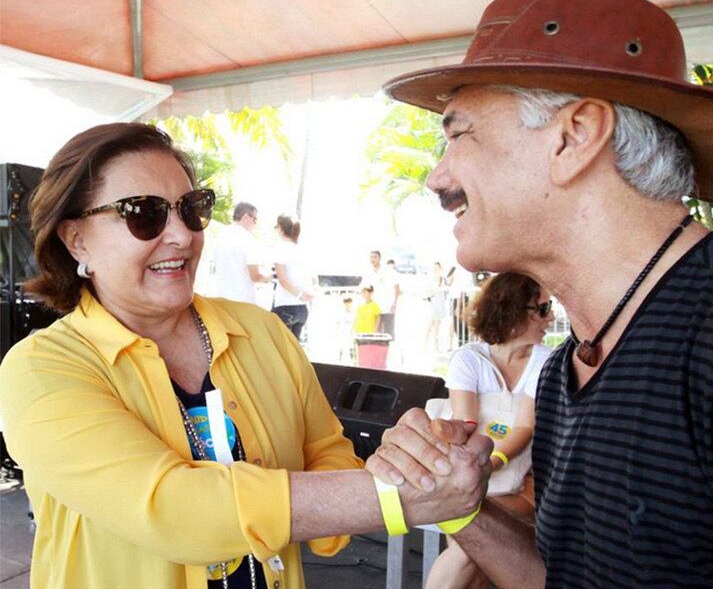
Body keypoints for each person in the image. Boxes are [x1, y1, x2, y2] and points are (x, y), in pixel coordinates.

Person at [366, 0, 713, 587]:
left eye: (458, 135)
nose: (436, 177)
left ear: (575, 136)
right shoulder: (567, 366)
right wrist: (460, 507)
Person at [0, 122, 492, 589]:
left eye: (190, 208)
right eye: (143, 214)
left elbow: (326, 452)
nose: (183, 235)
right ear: (76, 238)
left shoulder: (260, 331)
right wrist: (392, 496)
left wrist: (408, 462)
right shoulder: (41, 369)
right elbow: (171, 508)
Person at [426, 272, 553, 589]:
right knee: (475, 553)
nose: (550, 317)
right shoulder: (469, 359)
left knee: (471, 539)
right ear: (513, 311)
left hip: (521, 484)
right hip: (478, 475)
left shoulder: (545, 360)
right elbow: (467, 423)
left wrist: (490, 464)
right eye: (542, 309)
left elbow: (525, 427)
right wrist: (450, 433)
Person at [213, 202, 271, 305]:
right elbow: (255, 276)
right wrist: (270, 277)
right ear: (245, 217)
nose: (255, 223)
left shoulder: (221, 236)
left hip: (222, 300)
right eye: (255, 219)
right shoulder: (248, 240)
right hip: (243, 302)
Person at [271, 214, 314, 340]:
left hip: (285, 306)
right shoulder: (302, 250)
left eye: (276, 226)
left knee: (279, 351)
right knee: (294, 352)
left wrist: (300, 294)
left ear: (281, 228)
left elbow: (283, 280)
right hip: (302, 309)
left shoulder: (280, 248)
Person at [361, 250, 400, 339]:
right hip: (374, 309)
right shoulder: (367, 273)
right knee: (375, 334)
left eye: (375, 257)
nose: (373, 259)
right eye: (371, 257)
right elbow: (364, 289)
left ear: (379, 259)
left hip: (388, 308)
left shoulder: (388, 271)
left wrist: (394, 304)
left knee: (389, 334)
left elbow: (397, 288)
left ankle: (390, 352)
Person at [425, 261, 451, 353]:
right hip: (433, 304)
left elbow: (448, 288)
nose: (436, 269)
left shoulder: (443, 279)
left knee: (437, 326)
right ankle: (425, 345)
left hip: (440, 304)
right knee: (430, 326)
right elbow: (428, 292)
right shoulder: (430, 279)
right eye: (435, 267)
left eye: (438, 267)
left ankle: (435, 347)